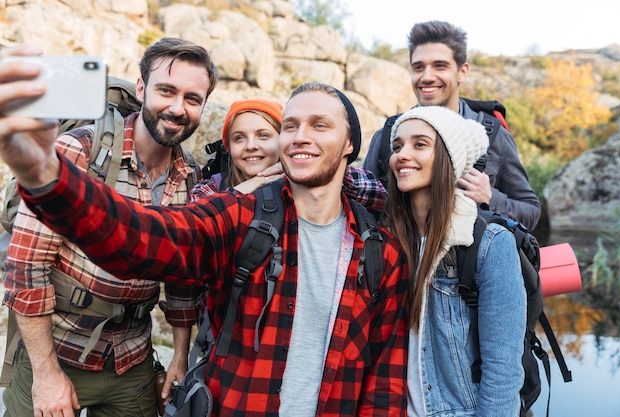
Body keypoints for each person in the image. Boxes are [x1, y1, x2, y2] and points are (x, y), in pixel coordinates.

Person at [0, 46, 410, 417]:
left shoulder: (383, 254)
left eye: (320, 125)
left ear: (350, 144)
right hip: (69, 351)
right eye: (292, 126)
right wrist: (47, 177)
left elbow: (384, 385)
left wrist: (178, 354)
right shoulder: (239, 216)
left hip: (131, 357)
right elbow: (142, 238)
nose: (301, 136)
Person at [1, 38, 218, 417]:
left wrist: (180, 356)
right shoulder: (79, 150)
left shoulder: (191, 178)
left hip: (130, 361)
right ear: (141, 88)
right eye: (166, 90)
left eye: (192, 98)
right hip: (58, 350)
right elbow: (26, 268)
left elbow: (183, 282)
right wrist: (47, 375)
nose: (177, 108)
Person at [382, 105, 526, 416]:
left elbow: (502, 373)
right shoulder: (383, 238)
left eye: (420, 144)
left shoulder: (488, 245)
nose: (402, 154)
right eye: (397, 146)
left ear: (449, 157)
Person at [364, 20, 541, 230]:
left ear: (462, 72)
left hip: (472, 260)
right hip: (400, 260)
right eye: (418, 67)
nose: (427, 77)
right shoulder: (388, 136)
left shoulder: (493, 135)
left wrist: (490, 197)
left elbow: (531, 212)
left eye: (440, 66)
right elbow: (363, 209)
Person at [189, 98, 388, 213]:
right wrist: (252, 184)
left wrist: (314, 167)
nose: (251, 146)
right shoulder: (212, 186)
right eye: (239, 138)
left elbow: (379, 197)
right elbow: (196, 220)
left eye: (263, 135)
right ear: (228, 147)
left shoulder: (302, 179)